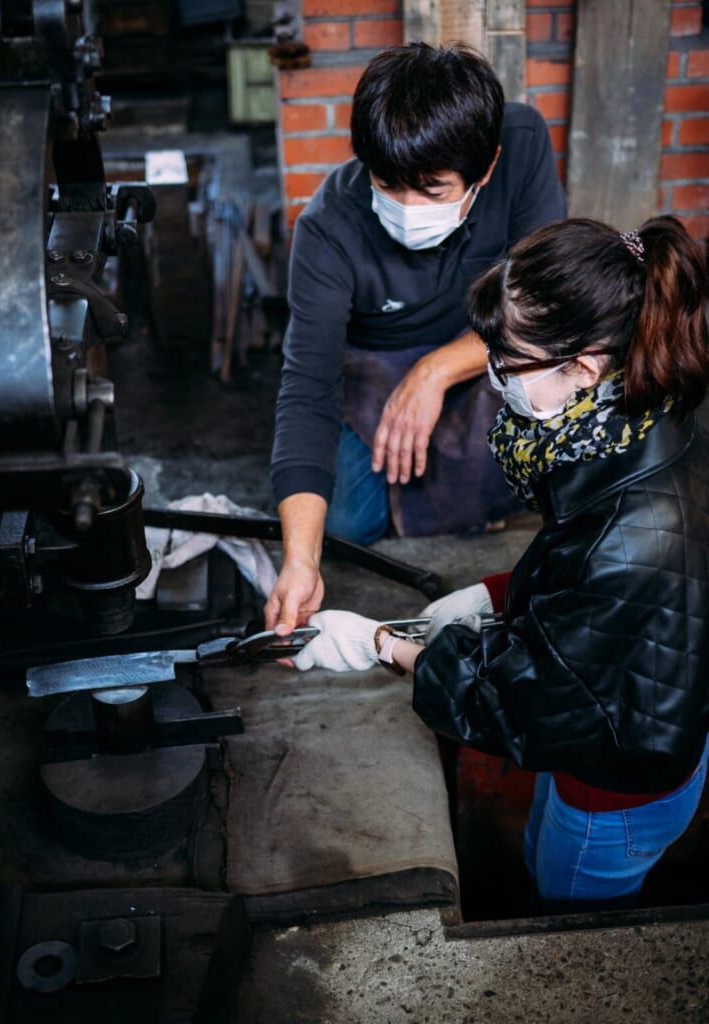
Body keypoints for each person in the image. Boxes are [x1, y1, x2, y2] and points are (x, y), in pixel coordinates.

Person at [289, 214, 709, 911]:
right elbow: (591, 580)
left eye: (507, 361)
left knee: (569, 910)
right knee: (540, 850)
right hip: (620, 736)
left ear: (583, 367)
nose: (491, 375)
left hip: (613, 797)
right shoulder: (638, 422)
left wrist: (380, 644)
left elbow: (525, 705)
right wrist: (496, 594)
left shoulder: (632, 533)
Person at [266, 42, 566, 635]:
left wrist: (436, 371)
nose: (408, 208)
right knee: (344, 524)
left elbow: (549, 301)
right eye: (388, 184)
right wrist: (299, 561)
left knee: (557, 452)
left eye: (432, 191)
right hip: (373, 362)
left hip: (490, 343)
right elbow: (307, 390)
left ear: (486, 168)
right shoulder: (327, 229)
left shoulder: (522, 143)